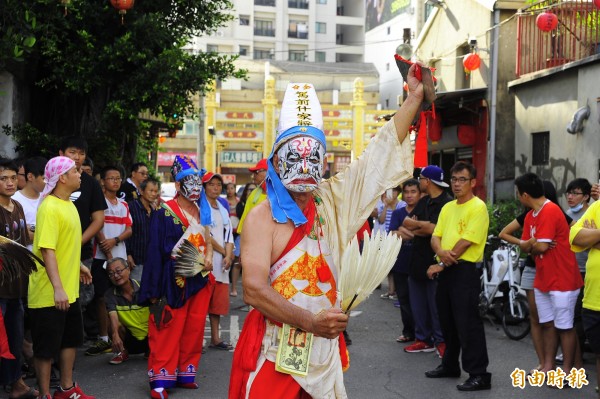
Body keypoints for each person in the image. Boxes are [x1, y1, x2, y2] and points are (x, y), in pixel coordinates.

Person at [229, 68, 423, 398]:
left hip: (322, 347)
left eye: (312, 157)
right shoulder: (261, 217)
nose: (304, 166)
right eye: (295, 155)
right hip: (277, 347)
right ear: (276, 159)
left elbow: (377, 157)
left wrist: (414, 99)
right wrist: (309, 321)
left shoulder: (332, 201)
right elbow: (253, 290)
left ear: (324, 160)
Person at [139, 155, 214, 399]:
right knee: (168, 327)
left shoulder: (203, 211)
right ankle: (160, 377)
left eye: (197, 181)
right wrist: (152, 289)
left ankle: (185, 372)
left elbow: (207, 239)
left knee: (193, 327)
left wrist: (210, 257)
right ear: (179, 185)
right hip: (172, 280)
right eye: (189, 182)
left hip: (199, 277)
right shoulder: (165, 212)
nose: (195, 186)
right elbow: (154, 253)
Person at [29, 156, 95, 399]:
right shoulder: (49, 207)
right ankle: (45, 394)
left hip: (69, 289)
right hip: (49, 292)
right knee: (46, 348)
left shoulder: (69, 206)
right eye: (75, 171)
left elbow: (63, 245)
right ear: (62, 178)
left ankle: (66, 390)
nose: (80, 174)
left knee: (70, 341)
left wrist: (78, 265)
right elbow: (48, 250)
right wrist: (58, 288)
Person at [425, 161, 491, 392]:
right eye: (454, 179)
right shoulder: (448, 207)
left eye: (462, 179)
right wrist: (441, 253)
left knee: (468, 323)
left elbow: (465, 243)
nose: (457, 184)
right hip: (446, 268)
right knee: (447, 321)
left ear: (473, 182)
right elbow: (436, 236)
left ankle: (479, 374)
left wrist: (441, 262)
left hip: (464, 270)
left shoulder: (478, 207)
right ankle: (450, 365)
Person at [516, 173, 583, 374]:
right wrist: (534, 245)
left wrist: (533, 245)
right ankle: (548, 366)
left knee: (565, 326)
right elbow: (527, 247)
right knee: (547, 324)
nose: (518, 197)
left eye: (518, 193)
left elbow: (540, 247)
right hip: (543, 277)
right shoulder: (529, 216)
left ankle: (568, 371)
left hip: (563, 278)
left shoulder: (552, 210)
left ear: (525, 195)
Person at [58, 137, 107, 342]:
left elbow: (98, 220)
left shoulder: (90, 183)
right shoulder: (50, 178)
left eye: (81, 153)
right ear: (61, 153)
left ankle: (69, 346)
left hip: (81, 253)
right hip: (51, 251)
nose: (77, 158)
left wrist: (76, 242)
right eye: (72, 152)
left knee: (78, 300)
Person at [402, 165, 452, 356]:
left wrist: (419, 226)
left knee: (436, 305)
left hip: (435, 261)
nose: (419, 181)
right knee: (418, 305)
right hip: (417, 261)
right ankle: (422, 339)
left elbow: (434, 230)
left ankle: (441, 341)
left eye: (421, 179)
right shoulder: (424, 202)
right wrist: (421, 226)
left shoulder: (447, 203)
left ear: (428, 181)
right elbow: (407, 222)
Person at [0, 158, 39, 399]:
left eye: (13, 177)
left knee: (15, 338)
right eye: (3, 178)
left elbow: (24, 240)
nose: (10, 182)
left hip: (17, 286)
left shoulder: (18, 206)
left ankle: (15, 383)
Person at [85, 166, 133, 356]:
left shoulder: (124, 204)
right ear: (102, 181)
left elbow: (129, 229)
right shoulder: (98, 202)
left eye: (118, 178)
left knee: (121, 294)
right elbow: (96, 225)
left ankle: (120, 334)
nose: (115, 181)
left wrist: (115, 241)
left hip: (120, 256)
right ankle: (103, 338)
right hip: (100, 257)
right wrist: (105, 243)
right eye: (111, 178)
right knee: (101, 297)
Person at [569, 194, 600, 398]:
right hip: (594, 298)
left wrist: (594, 235)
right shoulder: (597, 206)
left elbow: (586, 237)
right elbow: (574, 236)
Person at [202, 173, 235, 350]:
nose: (215, 188)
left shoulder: (222, 208)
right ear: (204, 187)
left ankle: (215, 338)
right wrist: (225, 253)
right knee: (201, 304)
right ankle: (197, 339)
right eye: (211, 184)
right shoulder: (201, 207)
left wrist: (228, 256)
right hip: (206, 262)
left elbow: (229, 235)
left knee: (217, 305)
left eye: (218, 185)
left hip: (221, 264)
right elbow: (206, 236)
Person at [388, 179, 419, 346]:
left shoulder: (423, 210)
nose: (409, 195)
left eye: (413, 191)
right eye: (406, 192)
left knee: (420, 301)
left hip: (419, 263)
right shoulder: (398, 213)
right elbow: (392, 233)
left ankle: (422, 334)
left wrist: (404, 230)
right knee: (404, 300)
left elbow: (427, 233)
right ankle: (408, 332)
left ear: (419, 193)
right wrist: (414, 231)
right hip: (400, 262)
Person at [104, 257, 149, 365]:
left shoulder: (144, 288)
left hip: (149, 335)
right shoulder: (109, 295)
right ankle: (123, 352)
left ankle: (151, 350)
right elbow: (113, 315)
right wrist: (114, 335)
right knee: (112, 324)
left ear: (128, 269)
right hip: (129, 338)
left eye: (118, 271)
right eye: (111, 273)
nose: (115, 275)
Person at [126, 178, 160, 283]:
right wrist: (128, 254)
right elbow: (125, 231)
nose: (154, 194)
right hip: (135, 259)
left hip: (151, 260)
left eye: (156, 191)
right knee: (136, 290)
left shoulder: (155, 210)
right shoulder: (131, 207)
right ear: (141, 191)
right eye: (151, 190)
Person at [12, 156, 47, 251]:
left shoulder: (49, 199)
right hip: (23, 259)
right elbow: (15, 235)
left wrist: (31, 230)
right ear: (30, 176)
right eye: (44, 179)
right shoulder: (14, 200)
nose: (48, 183)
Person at [378, 185, 405, 299]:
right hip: (386, 237)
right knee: (388, 265)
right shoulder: (384, 205)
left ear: (398, 192)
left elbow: (398, 219)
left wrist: (392, 205)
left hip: (398, 237)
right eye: (389, 191)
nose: (391, 193)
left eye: (394, 191)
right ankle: (390, 290)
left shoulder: (401, 204)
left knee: (397, 265)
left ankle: (398, 291)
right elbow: (381, 220)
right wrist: (386, 206)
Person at [231, 182, 256, 297]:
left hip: (256, 237)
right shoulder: (241, 204)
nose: (252, 191)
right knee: (238, 263)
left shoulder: (261, 202)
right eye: (250, 189)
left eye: (254, 189)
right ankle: (234, 288)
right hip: (242, 236)